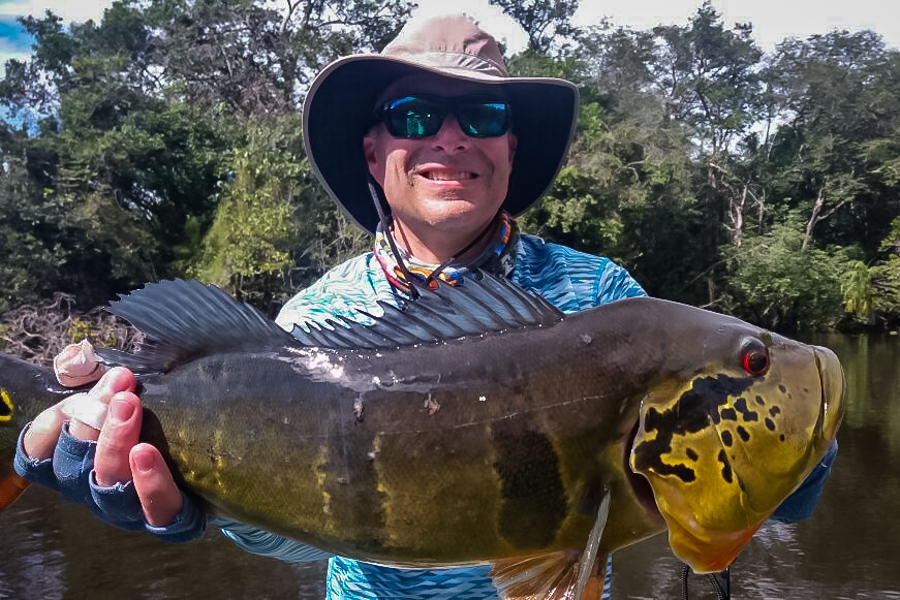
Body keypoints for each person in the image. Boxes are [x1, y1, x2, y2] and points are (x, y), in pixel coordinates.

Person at [14, 12, 838, 599]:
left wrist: (793, 467)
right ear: (374, 152)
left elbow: (681, 489)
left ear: (510, 146)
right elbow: (291, 541)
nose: (450, 138)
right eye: (414, 114)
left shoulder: (604, 297)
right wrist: (189, 504)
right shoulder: (308, 322)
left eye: (482, 114)